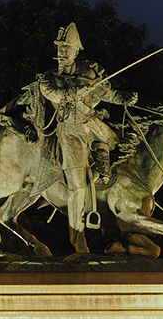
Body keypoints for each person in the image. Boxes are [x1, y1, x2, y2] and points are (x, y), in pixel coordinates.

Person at [17, 24, 138, 250]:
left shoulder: (88, 73)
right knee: (78, 188)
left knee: (116, 143)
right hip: (69, 132)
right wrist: (73, 93)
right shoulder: (49, 78)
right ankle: (78, 239)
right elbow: (53, 93)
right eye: (60, 48)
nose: (62, 52)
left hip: (89, 125)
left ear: (76, 52)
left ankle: (103, 177)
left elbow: (107, 93)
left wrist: (124, 98)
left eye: (67, 49)